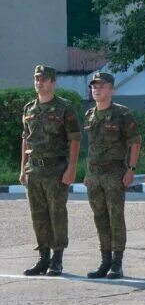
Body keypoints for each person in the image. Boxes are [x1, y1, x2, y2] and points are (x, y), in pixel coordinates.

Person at [20, 65, 81, 276]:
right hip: (34, 169)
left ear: (53, 82)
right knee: (38, 215)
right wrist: (22, 169)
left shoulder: (64, 108)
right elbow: (26, 139)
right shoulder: (29, 108)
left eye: (44, 79)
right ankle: (43, 257)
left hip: (56, 169)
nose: (40, 82)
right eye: (37, 78)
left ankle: (57, 258)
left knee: (57, 214)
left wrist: (72, 168)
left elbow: (75, 139)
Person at [84, 72, 141, 279]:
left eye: (102, 86)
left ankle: (117, 263)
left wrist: (131, 169)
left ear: (111, 90)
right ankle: (104, 260)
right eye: (94, 86)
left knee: (115, 218)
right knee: (100, 218)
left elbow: (135, 141)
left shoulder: (122, 114)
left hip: (114, 173)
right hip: (93, 174)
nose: (97, 89)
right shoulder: (90, 115)